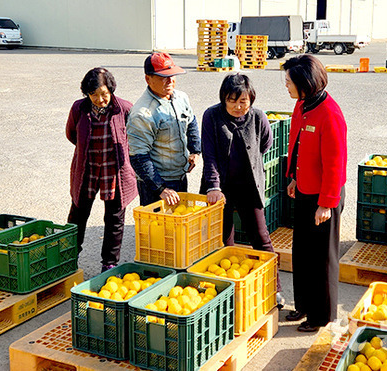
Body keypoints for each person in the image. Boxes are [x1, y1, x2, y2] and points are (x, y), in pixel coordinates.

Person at [200, 73, 283, 304]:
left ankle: (273, 288)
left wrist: (251, 165)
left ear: (251, 99)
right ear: (223, 99)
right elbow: (209, 154)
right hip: (221, 189)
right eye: (232, 100)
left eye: (243, 101)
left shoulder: (258, 117)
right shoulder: (212, 115)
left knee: (261, 238)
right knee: (223, 241)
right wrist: (213, 186)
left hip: (249, 187)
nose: (238, 106)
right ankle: (229, 293)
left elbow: (266, 143)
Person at [282, 55, 347, 332]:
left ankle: (321, 316)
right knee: (303, 253)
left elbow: (336, 164)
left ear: (305, 84)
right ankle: (304, 306)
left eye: (289, 82)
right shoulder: (302, 105)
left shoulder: (330, 114)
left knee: (322, 259)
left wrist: (327, 204)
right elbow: (296, 143)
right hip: (305, 189)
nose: (285, 86)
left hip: (325, 196)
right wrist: (294, 177)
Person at [66, 67, 138, 272]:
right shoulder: (79, 109)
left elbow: (133, 137)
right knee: (77, 215)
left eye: (104, 94)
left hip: (113, 171)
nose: (100, 99)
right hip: (87, 169)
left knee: (115, 218)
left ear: (111, 90)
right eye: (94, 95)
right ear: (87, 94)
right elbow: (72, 134)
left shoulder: (124, 108)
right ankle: (69, 256)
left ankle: (109, 262)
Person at [127, 52, 201, 206]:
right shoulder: (142, 113)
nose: (170, 81)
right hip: (157, 184)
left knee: (180, 226)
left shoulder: (181, 98)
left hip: (180, 176)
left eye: (172, 76)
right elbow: (138, 158)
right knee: (158, 228)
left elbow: (191, 121)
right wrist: (161, 188)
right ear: (148, 79)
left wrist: (195, 150)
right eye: (163, 77)